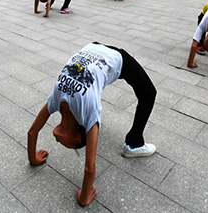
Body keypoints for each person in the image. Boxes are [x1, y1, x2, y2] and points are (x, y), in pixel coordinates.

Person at [27, 42, 157, 206]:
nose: (57, 141)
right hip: (97, 52)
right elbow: (89, 168)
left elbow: (32, 132)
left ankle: (134, 145)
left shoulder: (63, 102)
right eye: (64, 144)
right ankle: (133, 143)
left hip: (104, 53)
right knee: (142, 88)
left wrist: (83, 198)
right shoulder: (79, 108)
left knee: (149, 93)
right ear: (76, 140)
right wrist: (83, 197)